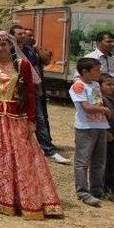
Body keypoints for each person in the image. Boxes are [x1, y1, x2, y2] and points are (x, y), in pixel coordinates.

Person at [0, 31, 62, 219]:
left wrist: (32, 119)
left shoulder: (22, 64)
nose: (1, 49)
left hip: (16, 117)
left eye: (4, 44)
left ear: (11, 45)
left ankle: (23, 199)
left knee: (22, 158)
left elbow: (30, 93)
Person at [19, 27, 70, 165]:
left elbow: (45, 61)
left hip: (36, 90)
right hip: (19, 93)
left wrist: (36, 47)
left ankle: (49, 149)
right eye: (22, 34)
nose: (26, 36)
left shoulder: (31, 50)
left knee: (40, 119)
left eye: (28, 35)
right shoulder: (12, 52)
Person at [69, 58, 111, 207]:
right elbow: (86, 107)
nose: (99, 73)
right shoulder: (78, 86)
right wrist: (104, 110)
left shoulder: (94, 85)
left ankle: (97, 189)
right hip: (85, 128)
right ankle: (83, 192)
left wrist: (106, 125)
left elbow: (96, 102)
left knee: (99, 161)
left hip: (99, 126)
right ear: (85, 71)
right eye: (96, 70)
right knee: (83, 161)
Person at [99, 73, 114, 201]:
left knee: (113, 162)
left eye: (113, 85)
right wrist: (107, 131)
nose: (112, 87)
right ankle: (108, 188)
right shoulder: (100, 100)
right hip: (108, 136)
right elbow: (100, 118)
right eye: (108, 84)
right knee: (108, 163)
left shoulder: (111, 100)